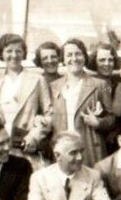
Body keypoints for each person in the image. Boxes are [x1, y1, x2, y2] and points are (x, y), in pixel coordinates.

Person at [49, 38, 115, 167]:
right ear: (63, 59)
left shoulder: (100, 84)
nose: (74, 58)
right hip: (62, 149)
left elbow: (112, 119)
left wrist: (98, 122)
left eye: (78, 54)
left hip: (89, 147)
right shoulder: (54, 86)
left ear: (84, 57)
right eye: (69, 55)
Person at [0, 33, 52, 170]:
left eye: (18, 51)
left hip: (26, 145)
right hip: (2, 144)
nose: (14, 55)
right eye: (9, 51)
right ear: (1, 53)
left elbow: (49, 114)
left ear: (24, 53)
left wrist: (34, 137)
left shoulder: (37, 79)